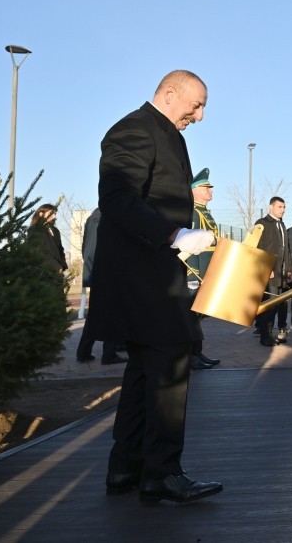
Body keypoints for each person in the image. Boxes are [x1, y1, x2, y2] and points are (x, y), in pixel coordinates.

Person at [83, 69, 222, 504]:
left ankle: (127, 467)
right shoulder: (133, 129)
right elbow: (118, 199)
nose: (198, 116)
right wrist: (172, 235)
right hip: (140, 273)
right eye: (195, 105)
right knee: (171, 363)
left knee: (144, 370)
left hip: (153, 270)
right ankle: (162, 472)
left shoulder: (170, 136)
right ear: (169, 92)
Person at [75, 208, 126, 365]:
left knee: (95, 313)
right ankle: (109, 353)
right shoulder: (111, 216)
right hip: (109, 270)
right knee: (114, 313)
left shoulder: (92, 218)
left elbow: (85, 247)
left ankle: (84, 351)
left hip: (95, 270)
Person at [185, 168, 220, 370]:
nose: (211, 192)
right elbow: (190, 246)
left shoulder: (204, 212)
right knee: (191, 317)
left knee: (196, 317)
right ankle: (191, 355)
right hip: (196, 273)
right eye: (207, 188)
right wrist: (192, 276)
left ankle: (197, 352)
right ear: (195, 190)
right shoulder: (194, 213)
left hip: (206, 272)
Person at [254, 197, 292, 347]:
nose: (282, 210)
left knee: (276, 305)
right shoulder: (262, 224)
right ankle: (265, 336)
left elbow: (286, 249)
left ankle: (270, 334)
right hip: (269, 273)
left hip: (281, 274)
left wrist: (288, 269)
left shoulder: (282, 225)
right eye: (279, 207)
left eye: (284, 207)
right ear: (271, 207)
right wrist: (266, 268)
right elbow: (257, 249)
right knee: (268, 306)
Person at [27, 204, 67, 274]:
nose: (54, 216)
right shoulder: (35, 230)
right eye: (51, 213)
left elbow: (60, 249)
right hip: (42, 272)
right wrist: (56, 266)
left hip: (57, 273)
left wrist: (62, 266)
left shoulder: (55, 231)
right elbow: (39, 251)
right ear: (41, 214)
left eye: (55, 214)